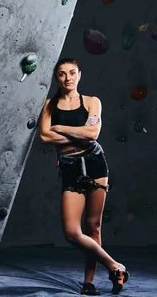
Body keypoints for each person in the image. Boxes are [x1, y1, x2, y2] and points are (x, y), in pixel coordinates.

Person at [38, 58, 130, 295]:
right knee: (72, 232)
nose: (67, 78)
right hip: (69, 167)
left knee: (93, 227)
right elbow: (45, 138)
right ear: (56, 77)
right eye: (61, 74)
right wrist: (78, 135)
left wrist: (60, 128)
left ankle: (89, 283)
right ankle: (114, 266)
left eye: (71, 73)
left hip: (94, 163)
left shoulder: (91, 102)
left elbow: (93, 133)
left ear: (79, 74)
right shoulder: (49, 105)